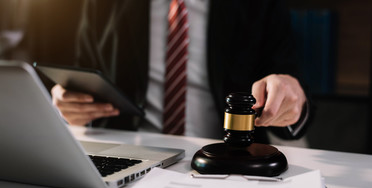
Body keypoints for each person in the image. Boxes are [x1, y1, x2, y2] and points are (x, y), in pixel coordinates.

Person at [51, 0, 312, 143]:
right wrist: (66, 103)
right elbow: (82, 75)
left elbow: (289, 87)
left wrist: (292, 101)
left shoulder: (260, 5)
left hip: (224, 157)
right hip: (128, 151)